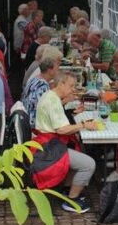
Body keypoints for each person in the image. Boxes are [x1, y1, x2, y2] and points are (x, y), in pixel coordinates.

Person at [33, 71, 97, 213]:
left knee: (78, 153)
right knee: (89, 164)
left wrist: (73, 113)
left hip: (46, 143)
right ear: (61, 84)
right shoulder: (53, 101)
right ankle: (71, 201)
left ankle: (67, 191)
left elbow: (57, 121)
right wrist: (84, 125)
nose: (73, 89)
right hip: (48, 148)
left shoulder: (51, 96)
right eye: (71, 85)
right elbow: (62, 130)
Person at [21, 57, 57, 127]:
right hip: (34, 126)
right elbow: (48, 111)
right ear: (50, 70)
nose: (57, 71)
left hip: (27, 120)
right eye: (56, 69)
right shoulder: (42, 86)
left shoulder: (35, 79)